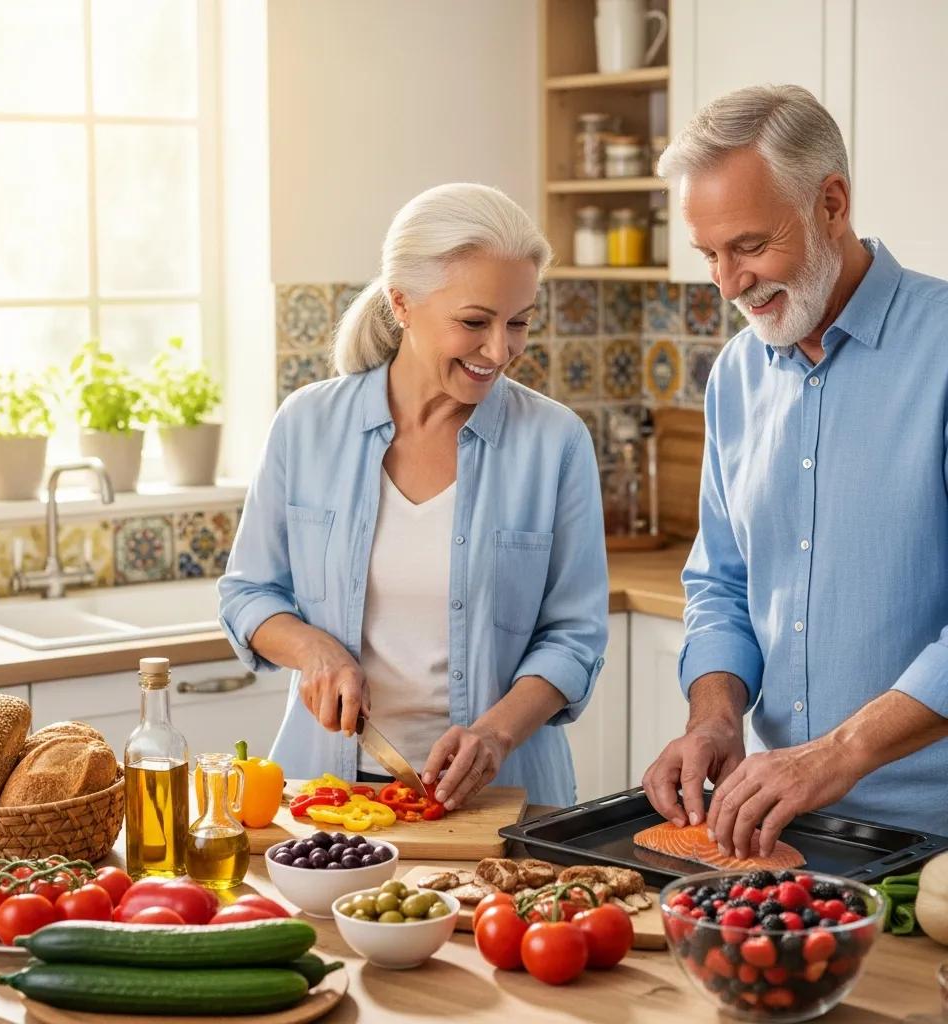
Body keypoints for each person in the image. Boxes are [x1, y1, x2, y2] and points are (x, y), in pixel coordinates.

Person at [219, 182, 608, 809]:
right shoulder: (308, 425)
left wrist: (495, 734)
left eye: (519, 323)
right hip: (326, 796)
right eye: (474, 323)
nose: (500, 350)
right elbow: (247, 594)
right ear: (401, 303)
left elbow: (574, 637)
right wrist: (314, 650)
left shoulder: (555, 442)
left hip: (503, 800)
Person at [642, 84, 948, 858]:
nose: (727, 283)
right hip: (785, 833)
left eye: (747, 246)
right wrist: (714, 715)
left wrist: (837, 756)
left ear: (832, 203)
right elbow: (721, 583)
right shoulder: (736, 378)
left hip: (938, 842)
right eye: (709, 254)